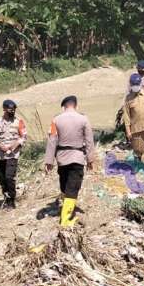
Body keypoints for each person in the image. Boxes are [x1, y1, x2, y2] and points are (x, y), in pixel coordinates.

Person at [44, 95, 97, 228]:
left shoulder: (56, 120)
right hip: (77, 157)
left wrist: (48, 161)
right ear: (75, 105)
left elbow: (51, 141)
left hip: (62, 158)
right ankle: (66, 219)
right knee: (73, 188)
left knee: (65, 185)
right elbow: (89, 141)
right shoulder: (83, 119)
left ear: (64, 106)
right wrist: (91, 159)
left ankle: (66, 207)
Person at [0, 99, 27, 209]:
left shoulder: (18, 122)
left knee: (9, 177)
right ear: (4, 109)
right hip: (0, 155)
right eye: (10, 110)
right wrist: (1, 147)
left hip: (13, 155)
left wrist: (14, 146)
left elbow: (23, 137)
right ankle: (6, 198)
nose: (12, 112)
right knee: (2, 179)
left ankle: (12, 200)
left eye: (14, 110)